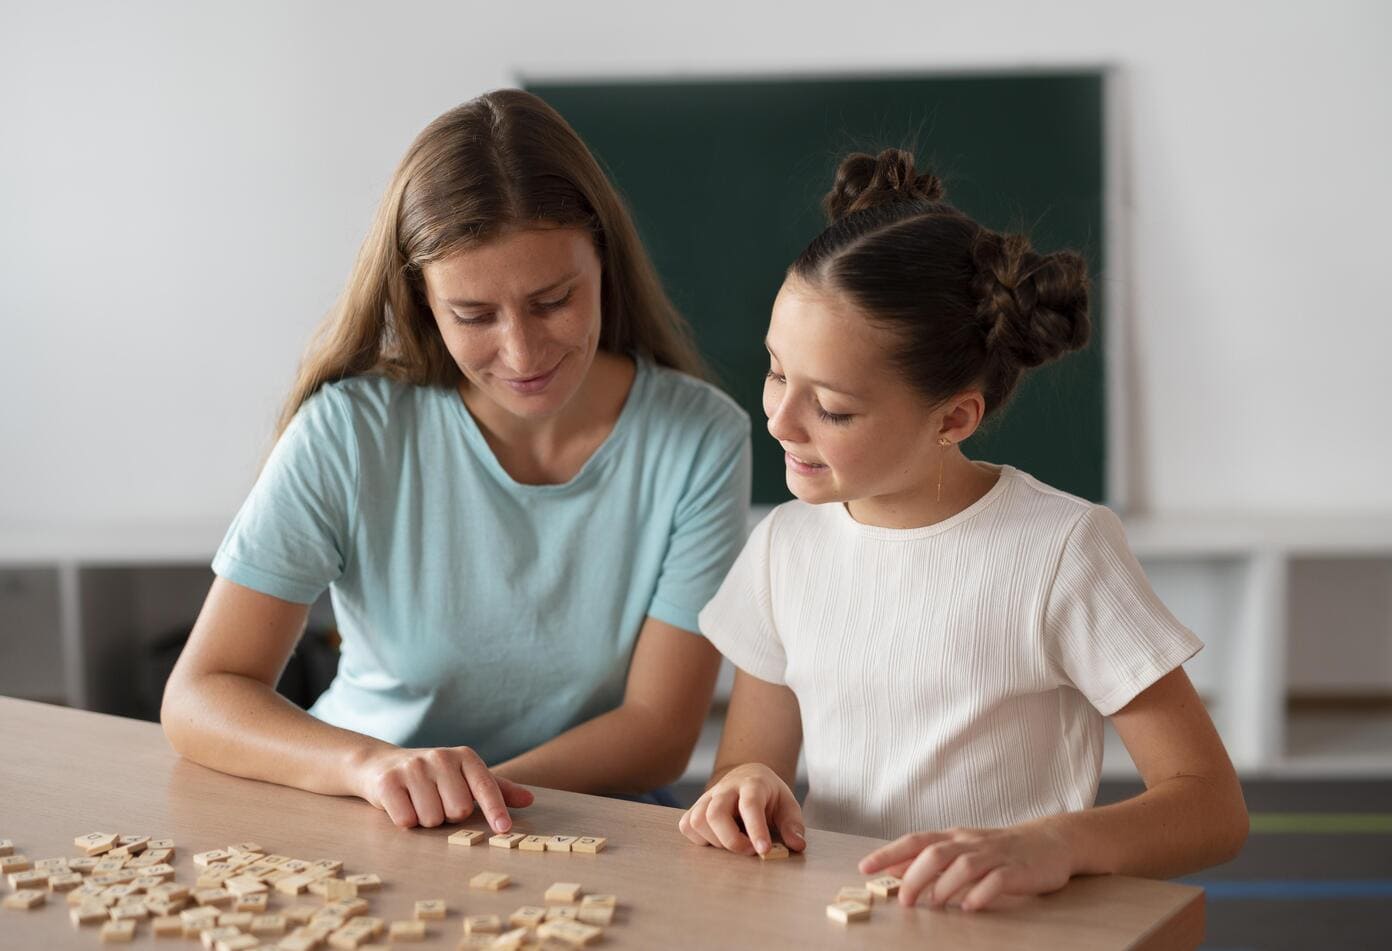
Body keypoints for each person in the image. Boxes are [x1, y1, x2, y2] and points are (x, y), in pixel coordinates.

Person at [162, 89, 751, 832]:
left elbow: (659, 733)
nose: (523, 351)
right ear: (423, 300)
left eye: (553, 300)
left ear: (602, 258)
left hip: (579, 820)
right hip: (367, 807)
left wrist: (464, 795)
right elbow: (201, 693)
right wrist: (373, 769)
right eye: (474, 315)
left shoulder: (699, 437)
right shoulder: (347, 431)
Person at [680, 148, 1247, 910]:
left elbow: (1211, 805)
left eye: (834, 407)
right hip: (845, 922)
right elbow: (747, 767)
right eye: (777, 370)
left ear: (954, 417)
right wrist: (746, 787)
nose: (778, 418)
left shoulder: (1061, 549)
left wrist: (1058, 841)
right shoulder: (784, 547)